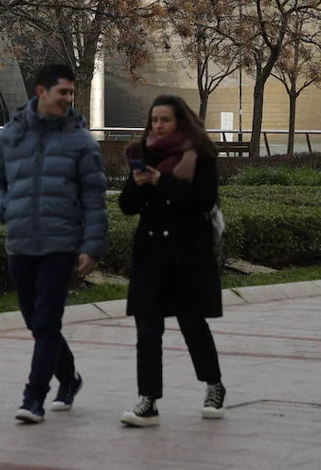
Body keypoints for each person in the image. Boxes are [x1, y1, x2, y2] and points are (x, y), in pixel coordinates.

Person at [0, 63, 108, 425]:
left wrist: (92, 246)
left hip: (61, 244)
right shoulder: (10, 136)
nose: (68, 100)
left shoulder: (81, 141)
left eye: (71, 94)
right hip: (20, 243)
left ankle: (34, 397)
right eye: (62, 93)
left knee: (48, 321)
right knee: (37, 323)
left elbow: (94, 199)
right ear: (41, 92)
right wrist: (5, 208)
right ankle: (69, 378)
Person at [118, 94, 225, 427]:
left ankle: (214, 385)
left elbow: (204, 199)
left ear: (181, 121)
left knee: (193, 325)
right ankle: (148, 400)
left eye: (165, 120)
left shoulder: (200, 155)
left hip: (186, 255)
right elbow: (127, 206)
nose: (159, 126)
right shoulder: (142, 153)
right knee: (148, 329)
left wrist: (162, 182)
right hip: (151, 254)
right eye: (154, 120)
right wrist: (138, 186)